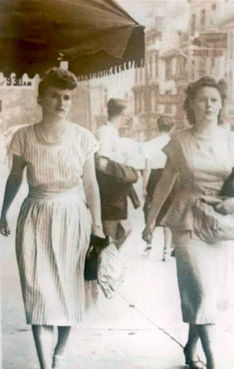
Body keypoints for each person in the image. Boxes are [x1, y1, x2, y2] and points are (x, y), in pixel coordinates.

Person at [142, 76, 234, 369]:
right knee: (200, 289)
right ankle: (214, 362)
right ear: (191, 103)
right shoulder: (179, 141)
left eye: (214, 100)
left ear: (221, 105)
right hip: (187, 220)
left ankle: (190, 348)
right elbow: (165, 183)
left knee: (208, 294)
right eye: (202, 99)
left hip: (219, 223)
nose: (208, 104)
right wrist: (151, 221)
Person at [0, 68, 105, 369]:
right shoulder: (23, 136)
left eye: (67, 97)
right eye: (55, 96)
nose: (62, 103)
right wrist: (2, 212)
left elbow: (91, 185)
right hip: (35, 216)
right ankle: (46, 365)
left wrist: (96, 226)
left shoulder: (83, 138)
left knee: (70, 289)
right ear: (41, 100)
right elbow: (14, 178)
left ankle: (60, 352)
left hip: (73, 217)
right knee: (38, 292)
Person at [96, 98, 140, 249]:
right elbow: (102, 164)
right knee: (109, 237)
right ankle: (105, 267)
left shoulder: (112, 132)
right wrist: (125, 171)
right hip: (110, 191)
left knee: (123, 231)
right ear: (122, 114)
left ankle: (108, 263)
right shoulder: (106, 132)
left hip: (116, 190)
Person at [142, 115, 176, 261]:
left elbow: (147, 168)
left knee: (151, 209)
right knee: (169, 212)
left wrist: (144, 187)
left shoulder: (151, 144)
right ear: (171, 127)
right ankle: (166, 250)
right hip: (170, 178)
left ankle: (149, 245)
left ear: (158, 127)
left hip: (154, 178)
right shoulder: (174, 143)